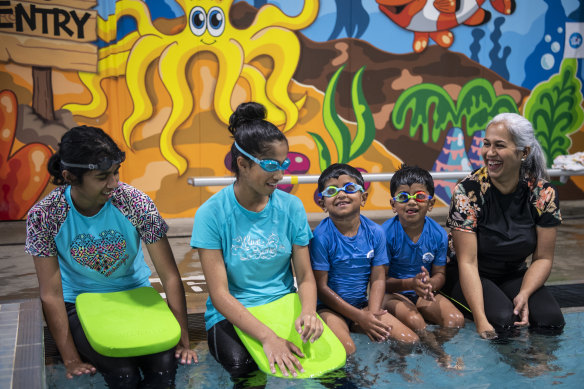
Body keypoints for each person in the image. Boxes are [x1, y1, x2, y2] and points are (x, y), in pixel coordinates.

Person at [25, 126, 196, 388]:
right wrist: (70, 358)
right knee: (123, 372)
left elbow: (170, 276)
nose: (114, 183)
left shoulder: (134, 202)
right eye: (103, 177)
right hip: (80, 302)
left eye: (116, 173)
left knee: (164, 367)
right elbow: (50, 293)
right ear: (70, 176)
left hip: (135, 295)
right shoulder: (46, 214)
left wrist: (182, 337)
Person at [191, 102, 323, 380]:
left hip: (283, 306)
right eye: (271, 165)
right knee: (246, 368)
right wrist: (268, 337)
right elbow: (220, 295)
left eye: (283, 164)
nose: (279, 174)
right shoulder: (211, 214)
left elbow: (305, 276)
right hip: (231, 315)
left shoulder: (292, 207)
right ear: (243, 163)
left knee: (325, 368)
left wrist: (309, 312)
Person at [442, 112, 565, 339]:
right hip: (467, 273)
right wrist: (481, 321)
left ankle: (535, 371)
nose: (490, 153)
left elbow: (543, 258)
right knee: (502, 323)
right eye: (486, 144)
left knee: (551, 321)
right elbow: (467, 262)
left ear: (524, 152)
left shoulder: (543, 193)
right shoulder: (468, 191)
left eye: (499, 146)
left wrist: (525, 293)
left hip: (513, 273)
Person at [310, 163, 419, 357]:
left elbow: (378, 279)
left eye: (350, 188)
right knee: (348, 350)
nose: (341, 194)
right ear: (322, 203)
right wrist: (360, 317)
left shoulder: (375, 233)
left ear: (363, 198)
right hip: (329, 310)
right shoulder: (321, 236)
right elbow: (321, 288)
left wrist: (372, 315)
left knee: (410, 340)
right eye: (332, 191)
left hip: (363, 305)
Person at [381, 165, 464, 368]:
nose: (411, 201)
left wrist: (429, 284)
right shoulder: (384, 234)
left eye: (419, 196)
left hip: (421, 292)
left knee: (455, 320)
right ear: (393, 204)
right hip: (391, 294)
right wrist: (411, 283)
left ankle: (424, 350)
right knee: (415, 320)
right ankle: (440, 356)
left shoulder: (438, 234)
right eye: (403, 197)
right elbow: (378, 283)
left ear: (431, 203)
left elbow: (440, 274)